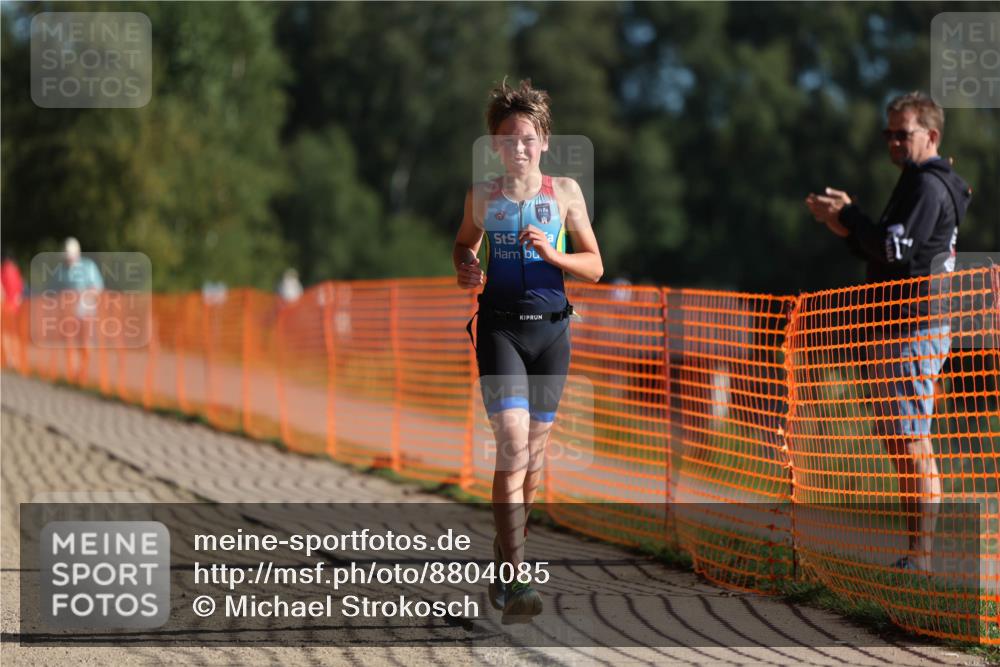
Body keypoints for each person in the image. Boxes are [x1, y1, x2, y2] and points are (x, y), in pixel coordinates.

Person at [453, 78, 603, 622]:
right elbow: (464, 243)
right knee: (513, 447)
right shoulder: (482, 196)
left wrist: (555, 257)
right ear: (495, 146)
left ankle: (503, 555)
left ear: (544, 141)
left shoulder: (563, 194)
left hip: (552, 333)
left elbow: (595, 264)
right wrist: (465, 264)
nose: (518, 148)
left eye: (528, 139)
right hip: (500, 331)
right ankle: (517, 580)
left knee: (534, 458)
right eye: (508, 140)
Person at [806, 91, 971, 572]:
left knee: (912, 438)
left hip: (914, 327)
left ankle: (922, 555)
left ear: (931, 135)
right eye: (889, 133)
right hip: (897, 325)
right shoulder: (915, 182)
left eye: (904, 133)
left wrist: (851, 216)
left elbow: (894, 249)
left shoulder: (928, 186)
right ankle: (918, 551)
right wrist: (844, 225)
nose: (894, 142)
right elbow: (888, 250)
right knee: (901, 437)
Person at [1, 250, 25, 367]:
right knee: (13, 334)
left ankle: (9, 358)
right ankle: (14, 358)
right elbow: (20, 289)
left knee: (6, 334)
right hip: (15, 307)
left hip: (5, 307)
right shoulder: (15, 270)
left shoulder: (3, 270)